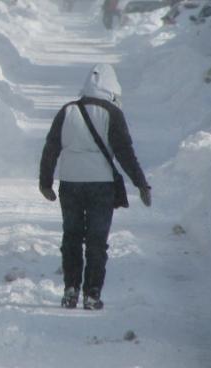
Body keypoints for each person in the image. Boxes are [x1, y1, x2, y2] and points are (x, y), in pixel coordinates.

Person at [38, 63, 152, 310]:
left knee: (71, 237)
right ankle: (92, 294)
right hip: (102, 186)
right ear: (113, 88)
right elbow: (125, 153)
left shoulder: (67, 111)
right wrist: (141, 183)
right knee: (97, 241)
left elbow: (51, 148)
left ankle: (70, 290)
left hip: (70, 184)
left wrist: (45, 182)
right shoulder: (112, 113)